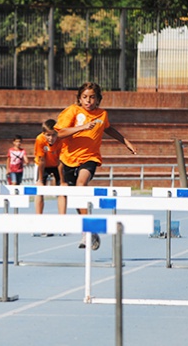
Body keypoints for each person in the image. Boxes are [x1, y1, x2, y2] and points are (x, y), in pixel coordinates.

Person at [55, 82, 137, 250]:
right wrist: (82, 127)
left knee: (81, 185)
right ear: (79, 98)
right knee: (76, 196)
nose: (88, 101)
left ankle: (89, 229)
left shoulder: (102, 114)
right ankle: (87, 230)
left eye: (92, 97)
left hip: (90, 158)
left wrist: (125, 141)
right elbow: (60, 133)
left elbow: (108, 129)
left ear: (98, 99)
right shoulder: (72, 111)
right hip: (69, 159)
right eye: (85, 97)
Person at [33, 119, 65, 237]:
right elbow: (41, 161)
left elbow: (61, 161)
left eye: (53, 135)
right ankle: (39, 221)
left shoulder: (62, 139)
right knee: (39, 191)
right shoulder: (40, 140)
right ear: (43, 134)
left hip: (57, 164)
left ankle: (62, 223)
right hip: (43, 165)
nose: (51, 138)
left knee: (62, 191)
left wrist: (62, 181)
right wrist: (40, 180)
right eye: (48, 135)